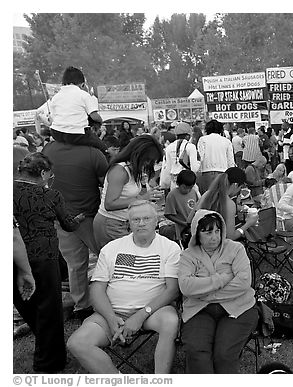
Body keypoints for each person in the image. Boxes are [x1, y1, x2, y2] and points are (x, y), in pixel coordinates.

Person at [67, 200, 181, 373]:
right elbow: (97, 289)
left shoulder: (170, 248)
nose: (141, 223)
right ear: (129, 223)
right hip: (112, 313)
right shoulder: (112, 248)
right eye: (136, 220)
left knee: (170, 321)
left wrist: (140, 316)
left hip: (153, 311)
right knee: (77, 343)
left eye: (146, 218)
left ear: (156, 220)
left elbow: (172, 289)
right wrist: (112, 320)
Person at [14, 152, 84, 373]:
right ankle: (49, 363)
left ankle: (48, 351)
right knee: (48, 310)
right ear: (43, 173)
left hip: (12, 258)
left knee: (26, 304)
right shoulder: (50, 195)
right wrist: (79, 219)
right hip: (41, 257)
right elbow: (68, 224)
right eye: (49, 175)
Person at [178, 210, 259, 373]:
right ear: (196, 234)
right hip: (200, 310)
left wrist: (203, 291)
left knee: (224, 353)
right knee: (197, 351)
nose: (214, 237)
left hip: (238, 308)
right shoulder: (188, 255)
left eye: (217, 231)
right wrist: (222, 279)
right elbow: (186, 286)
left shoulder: (236, 248)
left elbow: (243, 282)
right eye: (208, 232)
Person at [43, 134, 109, 320]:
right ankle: (116, 299)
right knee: (108, 257)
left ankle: (82, 306)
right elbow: (106, 183)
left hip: (60, 215)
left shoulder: (49, 148)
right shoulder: (93, 152)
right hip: (88, 215)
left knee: (75, 265)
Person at [93, 135, 165, 251]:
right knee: (120, 263)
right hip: (111, 224)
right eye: (148, 161)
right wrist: (143, 198)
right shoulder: (120, 171)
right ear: (138, 155)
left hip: (124, 223)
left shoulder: (133, 170)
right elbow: (110, 204)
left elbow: (131, 194)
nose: (149, 165)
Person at [36, 66, 107, 153]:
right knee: (103, 148)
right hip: (77, 134)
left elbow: (52, 120)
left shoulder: (55, 97)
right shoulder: (84, 95)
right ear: (82, 84)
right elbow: (94, 116)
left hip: (57, 133)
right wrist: (101, 120)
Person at [192, 167, 258, 241]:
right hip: (214, 246)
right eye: (240, 187)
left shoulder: (207, 194)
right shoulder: (229, 203)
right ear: (235, 185)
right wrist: (248, 223)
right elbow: (230, 237)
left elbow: (190, 219)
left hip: (197, 241)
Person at [196, 120, 236, 194]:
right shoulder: (226, 141)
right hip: (223, 173)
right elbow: (231, 161)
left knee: (207, 198)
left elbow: (200, 157)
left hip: (206, 172)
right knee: (221, 198)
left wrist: (197, 172)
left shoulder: (203, 140)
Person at [159, 122, 200, 191]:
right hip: (188, 183)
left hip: (174, 184)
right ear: (187, 136)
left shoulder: (169, 147)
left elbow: (166, 168)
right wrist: (199, 162)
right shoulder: (190, 147)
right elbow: (194, 169)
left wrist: (164, 185)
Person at [164, 170, 200, 246]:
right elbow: (168, 214)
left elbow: (197, 208)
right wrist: (183, 223)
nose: (187, 190)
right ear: (178, 184)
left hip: (194, 228)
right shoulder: (172, 195)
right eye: (185, 187)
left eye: (190, 188)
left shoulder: (193, 192)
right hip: (182, 230)